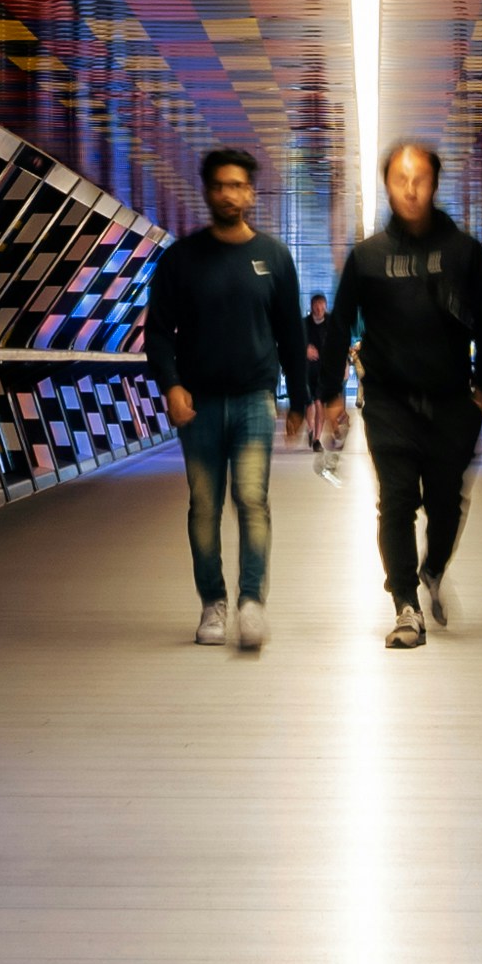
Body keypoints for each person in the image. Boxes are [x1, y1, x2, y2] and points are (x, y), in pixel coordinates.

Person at [308, 138, 482, 647]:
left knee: (445, 503)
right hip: (389, 402)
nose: (411, 189)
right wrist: (333, 393)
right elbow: (338, 329)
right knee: (396, 503)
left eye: (419, 178)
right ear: (387, 187)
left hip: (450, 402)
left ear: (435, 184)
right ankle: (405, 604)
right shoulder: (368, 258)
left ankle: (433, 568)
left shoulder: (465, 254)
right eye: (400, 180)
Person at [142, 144, 318, 652]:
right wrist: (171, 385)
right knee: (203, 505)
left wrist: (299, 402)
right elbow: (157, 334)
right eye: (219, 185)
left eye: (237, 185)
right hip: (197, 404)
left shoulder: (275, 258)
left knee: (252, 500)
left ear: (251, 193)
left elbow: (290, 335)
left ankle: (251, 603)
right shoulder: (182, 260)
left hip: (254, 401)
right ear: (207, 191)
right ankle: (212, 604)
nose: (228, 194)